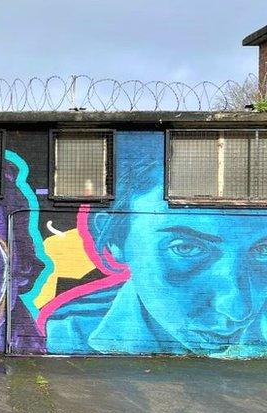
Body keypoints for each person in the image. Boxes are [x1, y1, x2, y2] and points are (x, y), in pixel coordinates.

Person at [45, 133, 267, 357]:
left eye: (263, 250)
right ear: (115, 241)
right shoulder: (65, 333)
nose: (239, 311)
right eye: (185, 248)